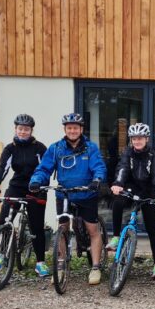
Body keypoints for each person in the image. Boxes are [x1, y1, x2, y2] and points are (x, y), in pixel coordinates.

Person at [29, 113, 107, 285]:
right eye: (69, 128)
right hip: (64, 194)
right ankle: (60, 266)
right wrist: (36, 181)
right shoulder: (56, 148)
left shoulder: (91, 148)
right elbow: (44, 168)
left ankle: (95, 267)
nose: (72, 131)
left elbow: (99, 166)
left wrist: (97, 180)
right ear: (65, 129)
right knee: (63, 229)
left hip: (87, 194)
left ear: (81, 129)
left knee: (92, 230)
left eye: (76, 128)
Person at [0, 114, 49, 276]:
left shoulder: (39, 148)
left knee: (36, 226)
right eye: (20, 129)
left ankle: (40, 262)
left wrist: (42, 186)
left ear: (31, 130)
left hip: (36, 189)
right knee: (4, 221)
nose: (23, 132)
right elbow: (3, 168)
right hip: (17, 187)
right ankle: (2, 256)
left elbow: (46, 169)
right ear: (15, 129)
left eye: (26, 129)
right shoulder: (10, 148)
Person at [107, 123, 155, 280]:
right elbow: (122, 169)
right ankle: (115, 236)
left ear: (146, 139)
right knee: (118, 202)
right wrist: (118, 184)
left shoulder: (152, 155)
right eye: (134, 139)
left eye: (140, 138)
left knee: (151, 228)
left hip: (147, 192)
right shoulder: (127, 152)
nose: (137, 141)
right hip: (131, 188)